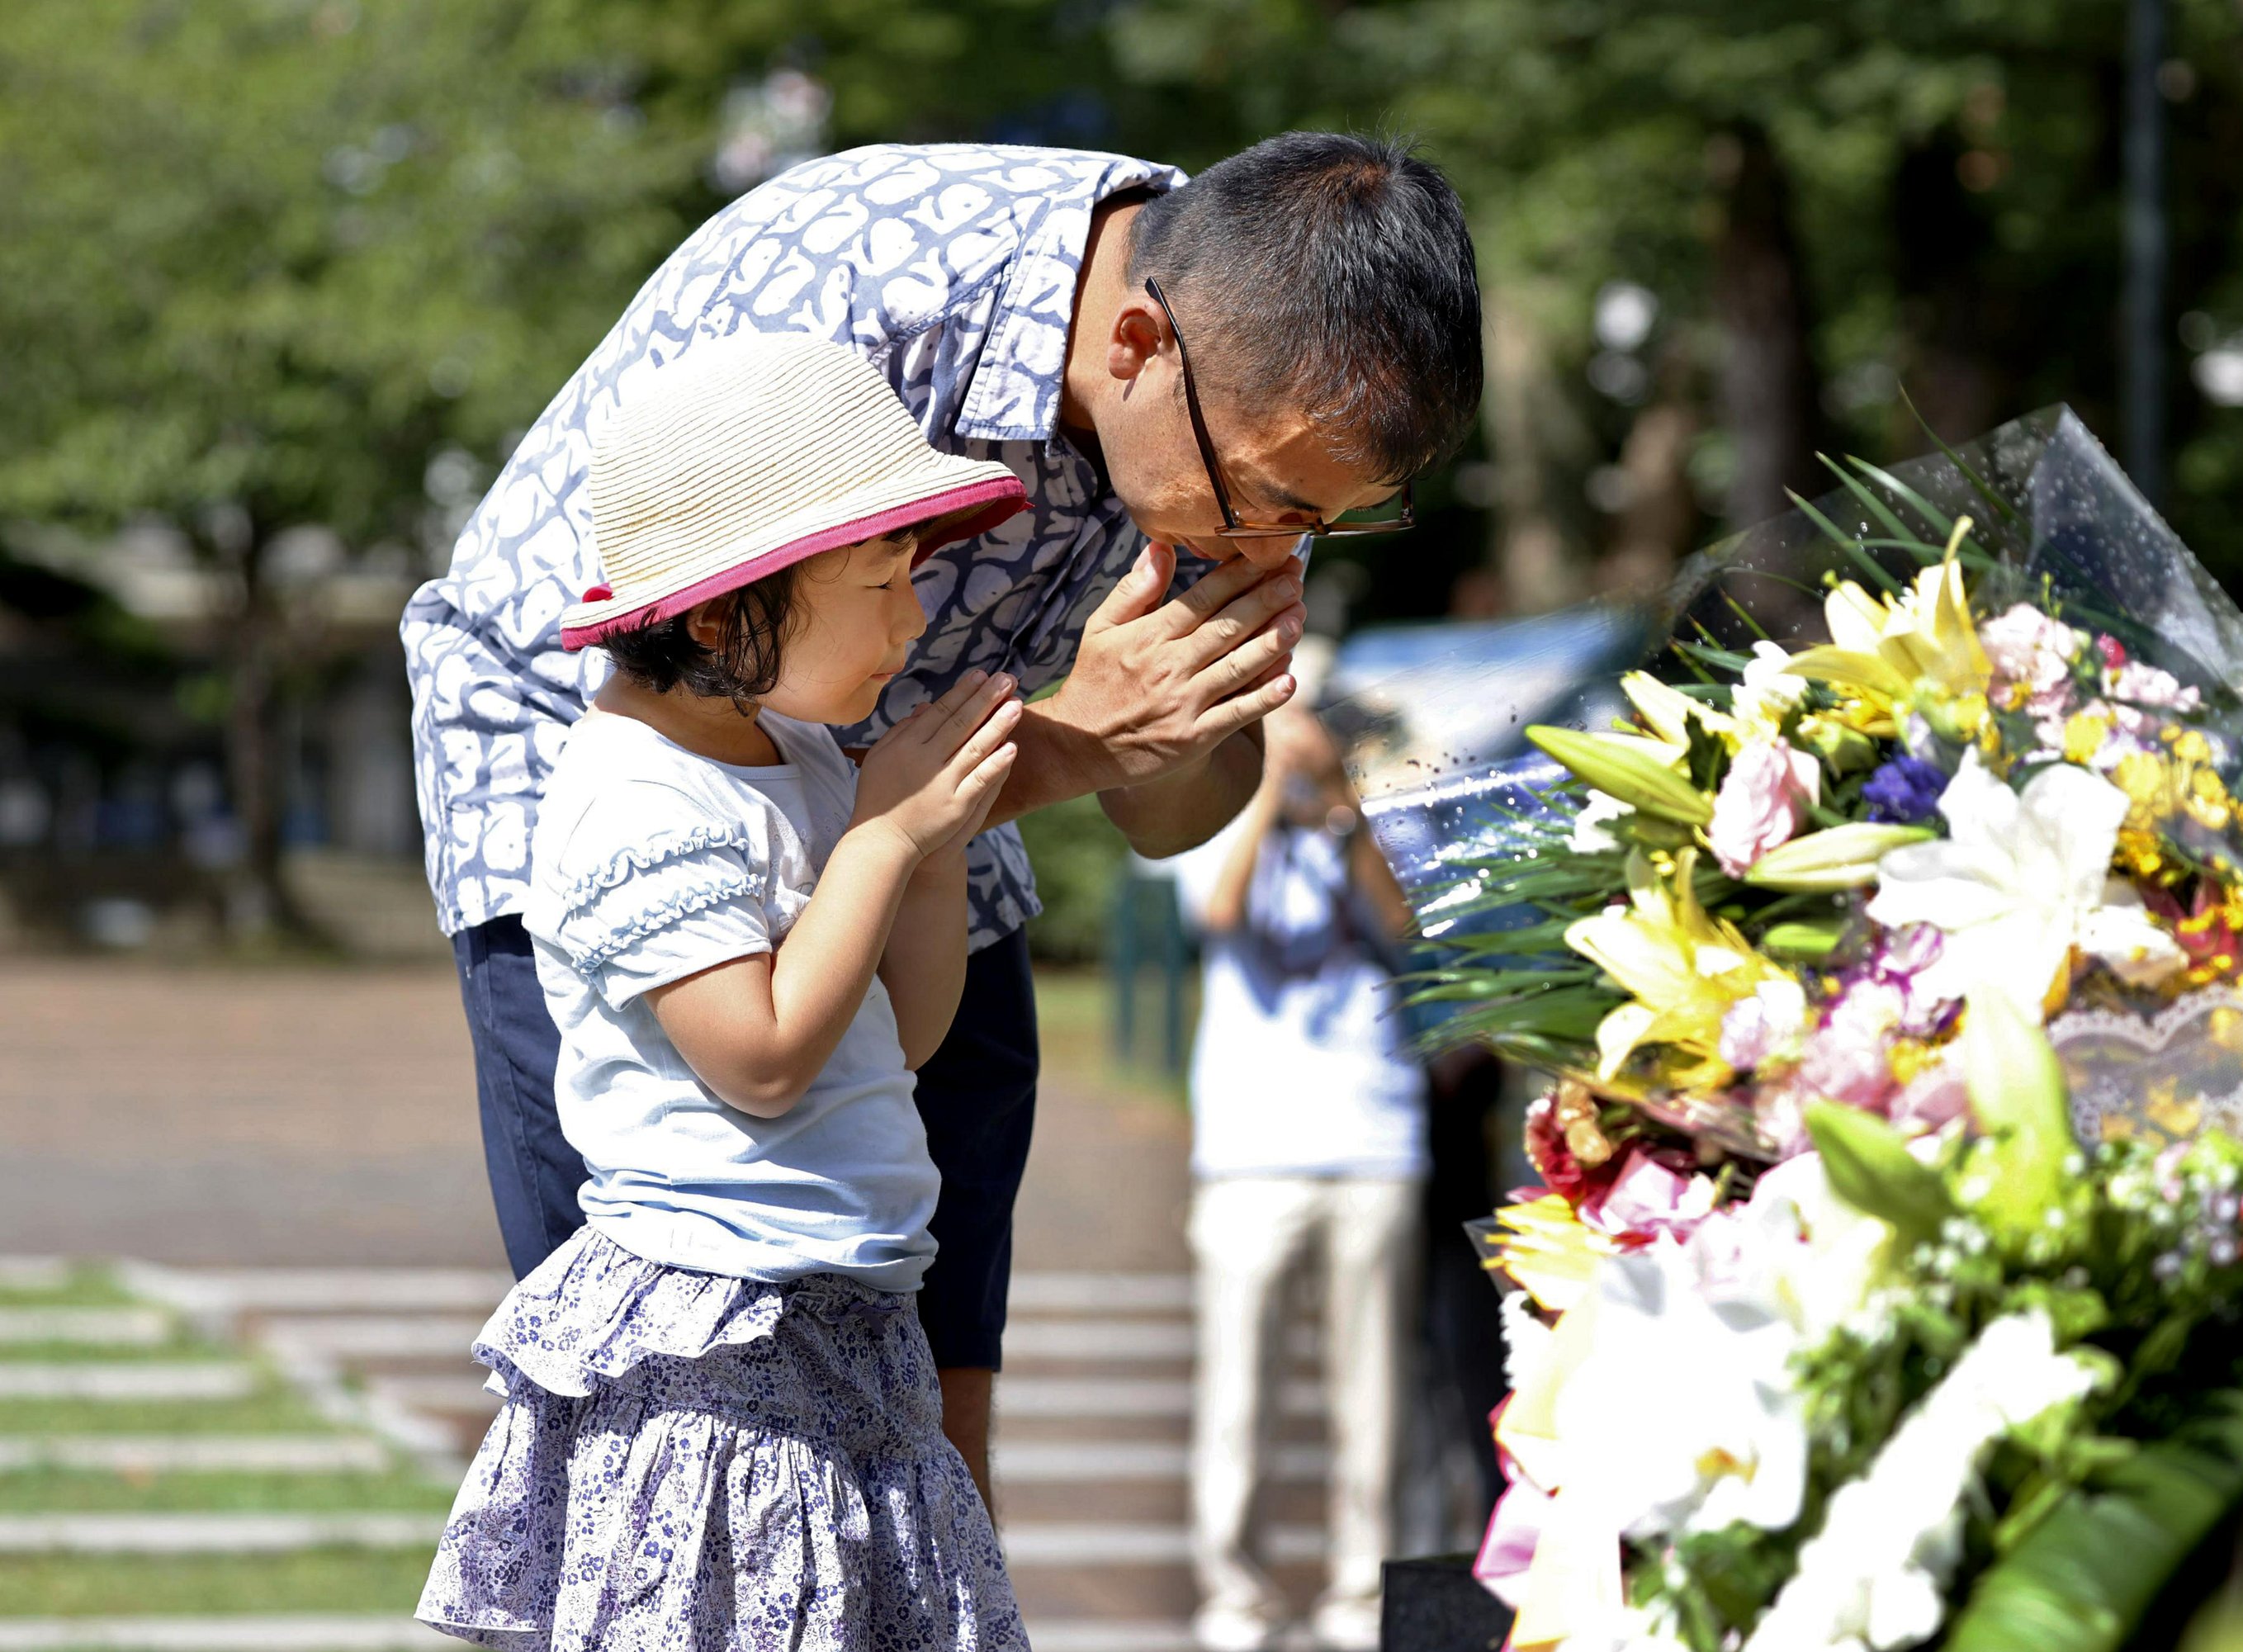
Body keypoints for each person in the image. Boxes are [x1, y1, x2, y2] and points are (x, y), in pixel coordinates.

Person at [402, 134, 1484, 1497]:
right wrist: (1058, 745)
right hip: (609, 736)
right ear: (1139, 344)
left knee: (928, 1339)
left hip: (915, 770)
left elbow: (1171, 815)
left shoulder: (1255, 373)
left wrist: (1148, 727)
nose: (1276, 548)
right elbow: (697, 689)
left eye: (1330, 520)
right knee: (677, 1384)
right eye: (1269, 502)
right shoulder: (869, 295)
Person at [419, 334, 1034, 1646]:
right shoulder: (636, 796)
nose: (911, 622)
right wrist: (876, 837)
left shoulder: (800, 757)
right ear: (719, 610)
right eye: (879, 583)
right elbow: (757, 1055)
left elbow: (896, 1039)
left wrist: (926, 849)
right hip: (722, 1360)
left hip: (852, 1322)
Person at [1171, 652, 1428, 1652]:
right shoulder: (1210, 812)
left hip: (1374, 1140)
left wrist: (1341, 808)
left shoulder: (1367, 813)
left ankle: (1363, 1595)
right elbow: (1220, 913)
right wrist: (1271, 790)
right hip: (1248, 1151)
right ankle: (1235, 1596)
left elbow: (1403, 925)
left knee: (1376, 1400)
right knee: (1239, 1395)